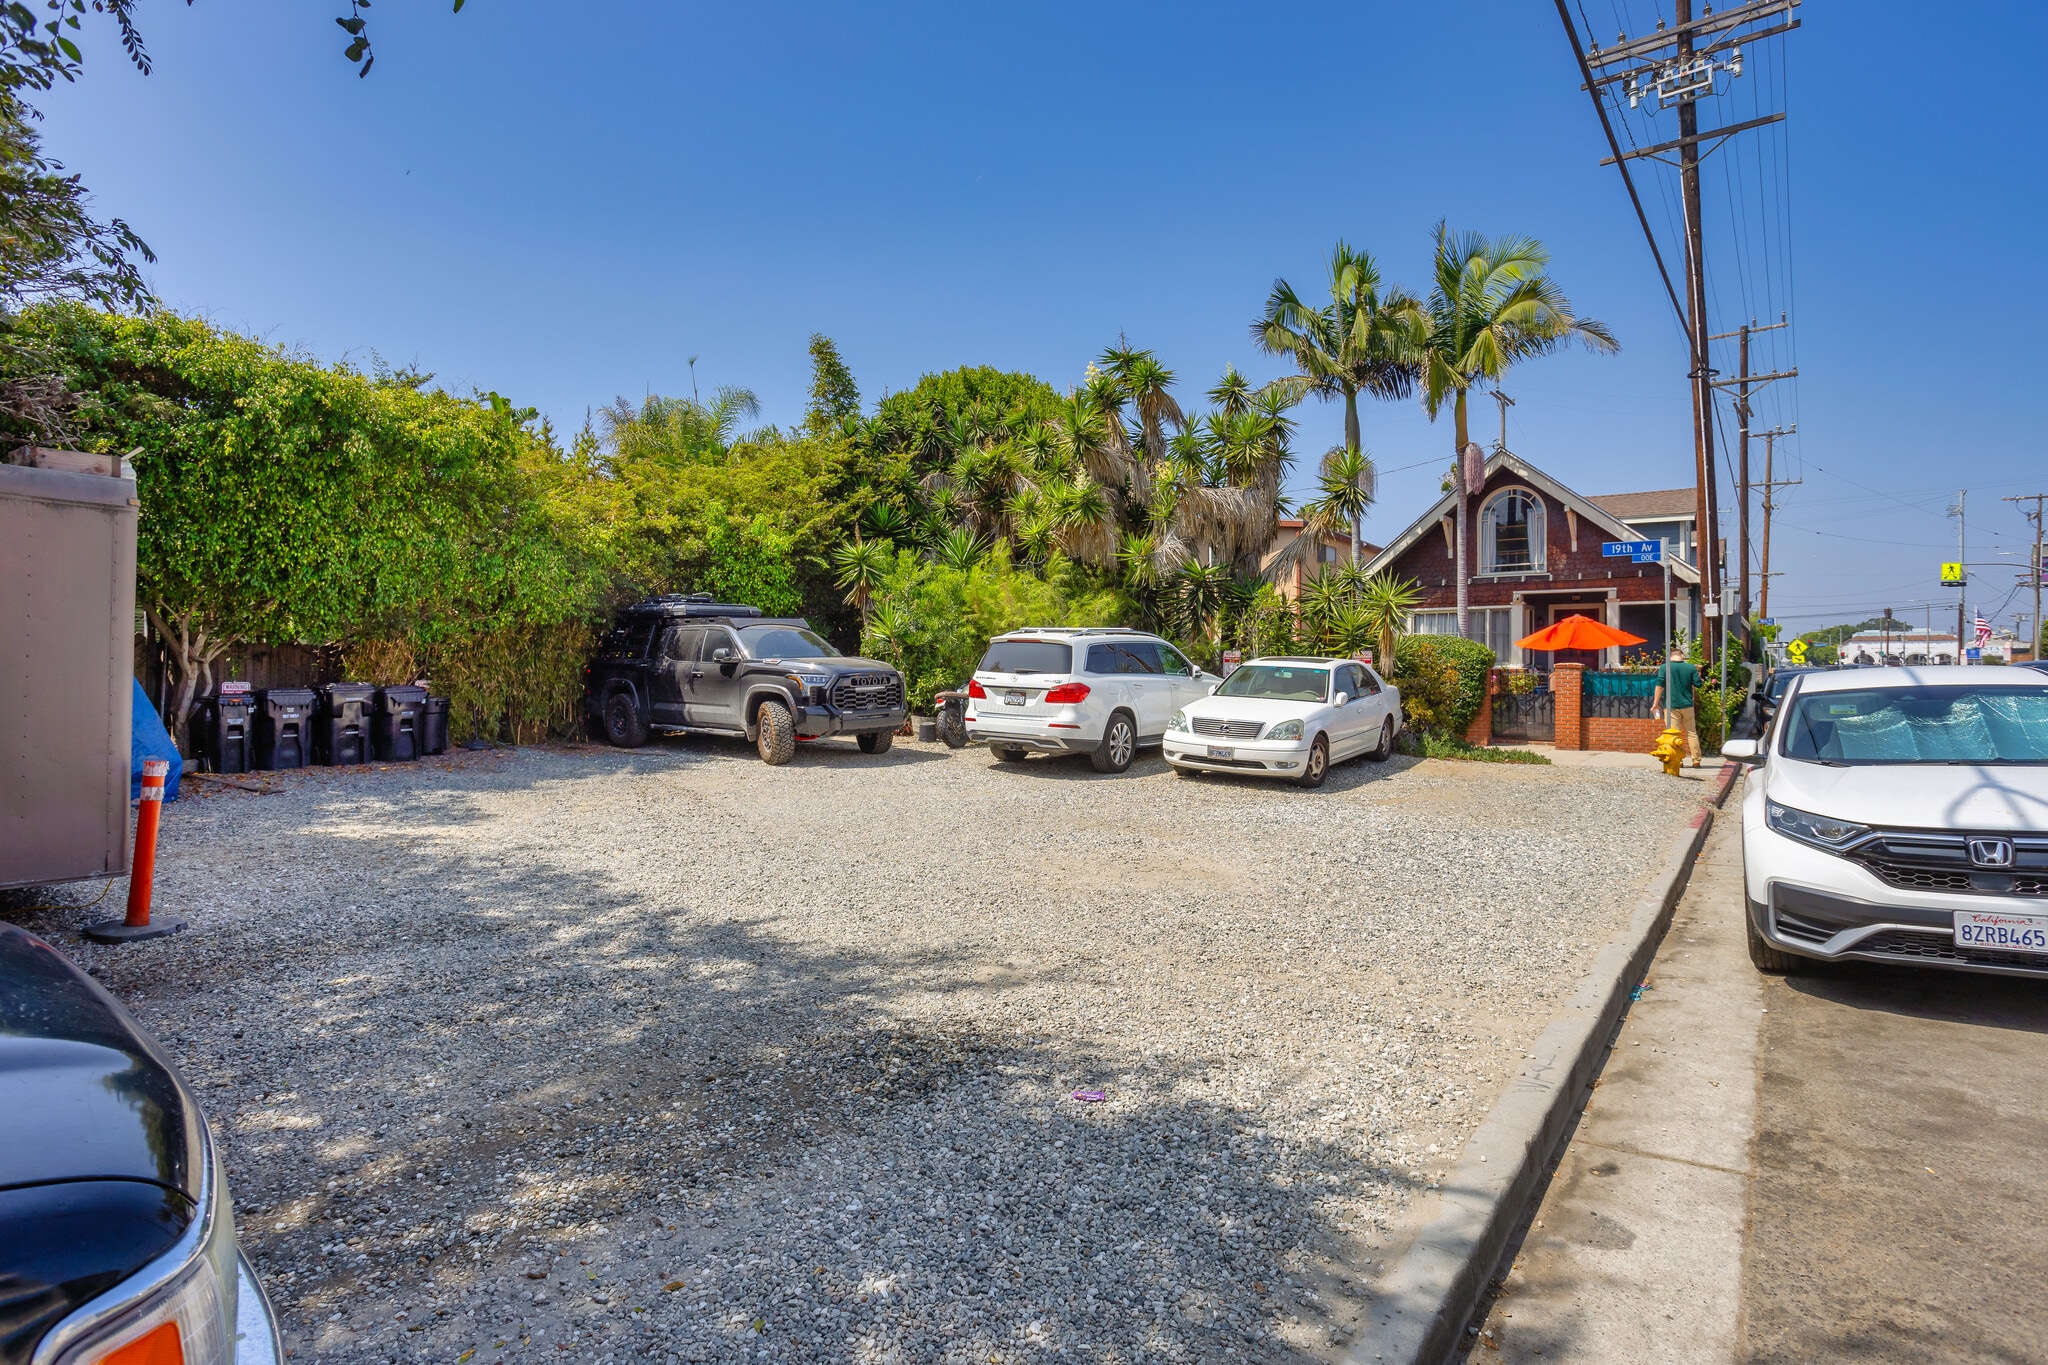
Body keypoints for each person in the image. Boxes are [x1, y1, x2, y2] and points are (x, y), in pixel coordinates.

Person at [1650, 644, 1703, 769]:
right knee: (1692, 733)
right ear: (1682, 656)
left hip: (1671, 706)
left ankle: (1678, 760)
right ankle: (1696, 760)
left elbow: (1660, 686)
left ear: (1670, 657)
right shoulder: (1690, 668)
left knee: (1674, 734)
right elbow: (1698, 684)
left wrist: (1655, 704)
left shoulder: (1665, 667)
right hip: (1687, 705)